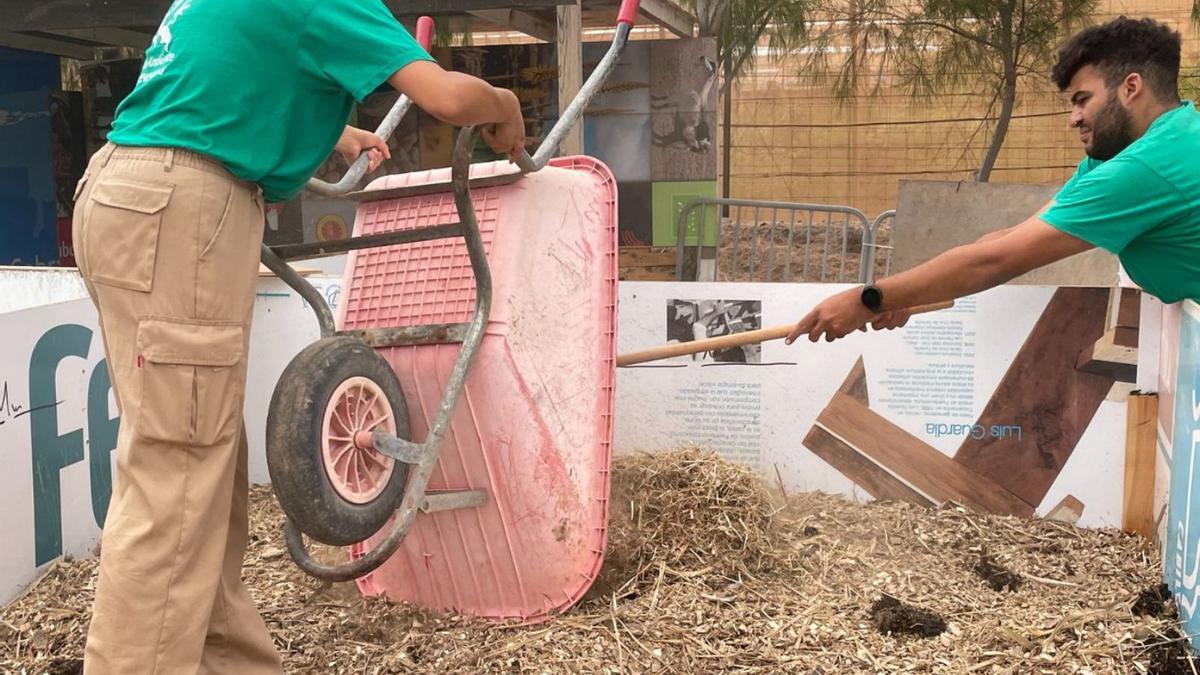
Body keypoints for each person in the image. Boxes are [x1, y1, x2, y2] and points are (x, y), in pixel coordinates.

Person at [72, 0, 525, 672]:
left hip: (121, 191)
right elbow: (448, 97)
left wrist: (335, 130)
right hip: (181, 209)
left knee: (202, 459)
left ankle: (226, 659)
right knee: (177, 474)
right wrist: (506, 104)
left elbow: (226, 78)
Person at [786, 16, 1199, 345]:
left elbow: (996, 262)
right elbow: (1003, 240)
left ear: (1131, 88)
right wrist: (902, 294)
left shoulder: (1145, 169)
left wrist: (867, 298)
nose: (1073, 118)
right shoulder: (1141, 147)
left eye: (1081, 100)